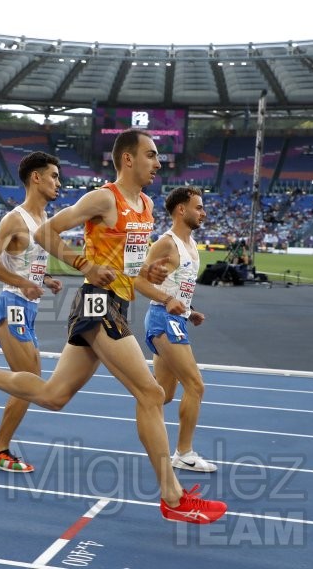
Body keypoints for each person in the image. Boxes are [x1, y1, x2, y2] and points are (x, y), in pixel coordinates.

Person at [0, 129, 227, 524]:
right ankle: (173, 496)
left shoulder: (149, 205)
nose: (159, 162)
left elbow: (131, 269)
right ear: (128, 160)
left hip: (117, 302)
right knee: (151, 393)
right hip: (96, 303)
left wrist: (153, 280)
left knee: (53, 395)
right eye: (152, 155)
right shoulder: (104, 198)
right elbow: (44, 232)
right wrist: (84, 264)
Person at [0, 151, 63, 473]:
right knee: (30, 382)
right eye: (53, 176)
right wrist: (23, 283)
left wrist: (46, 280)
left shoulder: (44, 223)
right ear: (36, 178)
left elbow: (26, 264)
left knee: (29, 383)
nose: (58, 183)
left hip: (27, 308)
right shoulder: (16, 219)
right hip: (10, 305)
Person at [134, 186, 215, 472]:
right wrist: (168, 300)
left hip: (175, 319)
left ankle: (145, 416)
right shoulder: (166, 244)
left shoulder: (191, 245)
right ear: (181, 209)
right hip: (161, 318)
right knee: (195, 385)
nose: (203, 213)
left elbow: (177, 289)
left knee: (161, 394)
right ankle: (184, 453)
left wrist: (189, 312)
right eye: (198, 207)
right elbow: (137, 280)